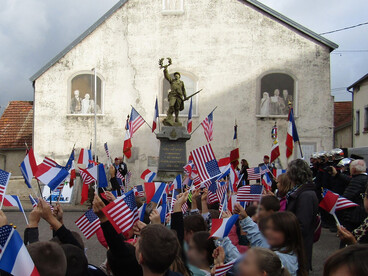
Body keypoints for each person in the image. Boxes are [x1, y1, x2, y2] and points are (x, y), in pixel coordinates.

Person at [227, 205, 307, 276]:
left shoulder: (280, 259)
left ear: (288, 234)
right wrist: (245, 219)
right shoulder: (288, 250)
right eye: (268, 228)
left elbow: (241, 265)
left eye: (275, 230)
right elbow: (260, 239)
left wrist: (222, 238)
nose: (268, 232)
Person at [286, 159, 318, 271]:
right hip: (296, 245)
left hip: (299, 246)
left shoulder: (306, 195)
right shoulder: (301, 192)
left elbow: (302, 225)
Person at [331, 160, 368, 233]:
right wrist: (337, 174)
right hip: (363, 214)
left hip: (355, 216)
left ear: (353, 170)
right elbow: (350, 180)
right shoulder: (363, 178)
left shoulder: (357, 180)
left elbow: (346, 197)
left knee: (349, 238)